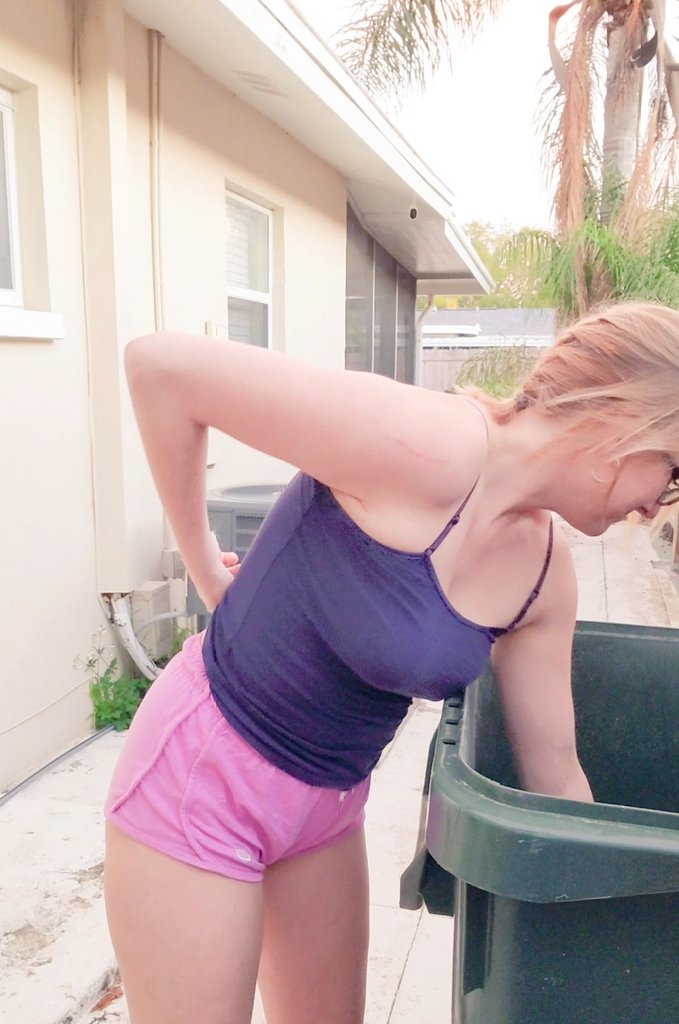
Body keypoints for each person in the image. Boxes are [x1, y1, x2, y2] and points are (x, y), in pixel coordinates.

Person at [104, 300, 679, 1024]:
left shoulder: (543, 576)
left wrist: (625, 912)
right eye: (673, 469)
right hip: (205, 776)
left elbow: (556, 776)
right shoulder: (428, 443)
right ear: (627, 419)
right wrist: (205, 570)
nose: (660, 504)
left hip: (326, 808)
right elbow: (160, 368)